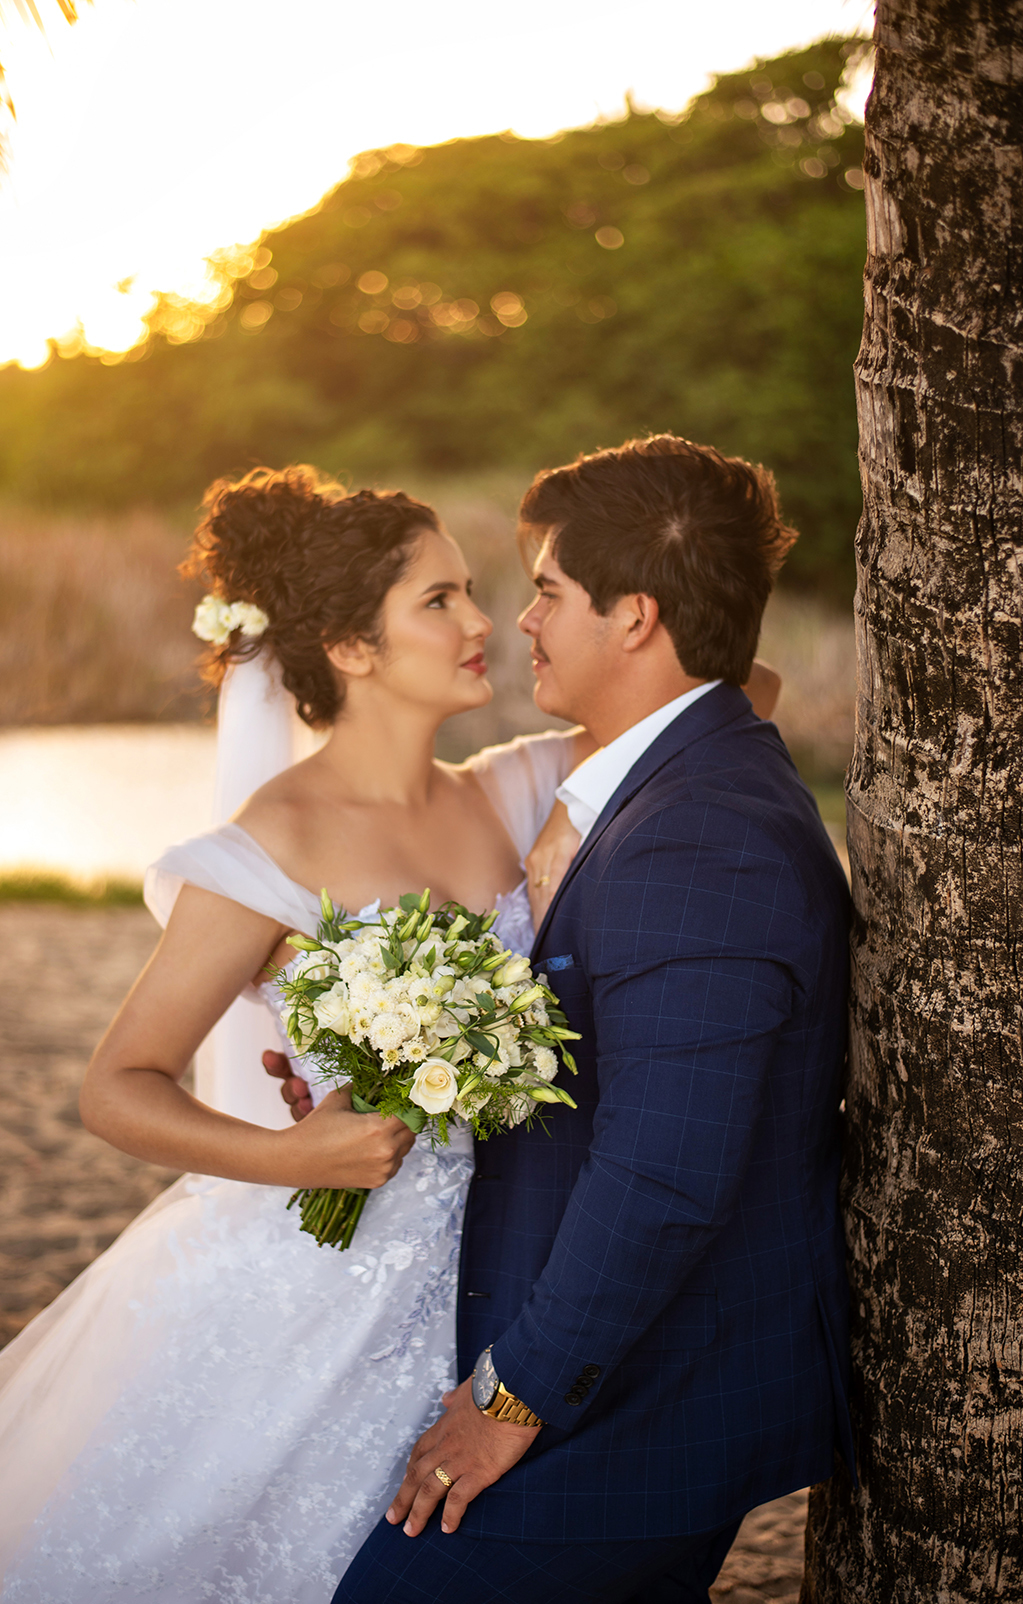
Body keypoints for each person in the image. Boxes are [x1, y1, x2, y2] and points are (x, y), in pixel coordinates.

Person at [326, 434, 853, 1603]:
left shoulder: (701, 830)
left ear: (636, 618)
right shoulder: (676, 784)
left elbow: (665, 1172)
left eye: (550, 592)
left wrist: (509, 1401)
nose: (522, 623)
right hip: (615, 1387)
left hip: (625, 1414)